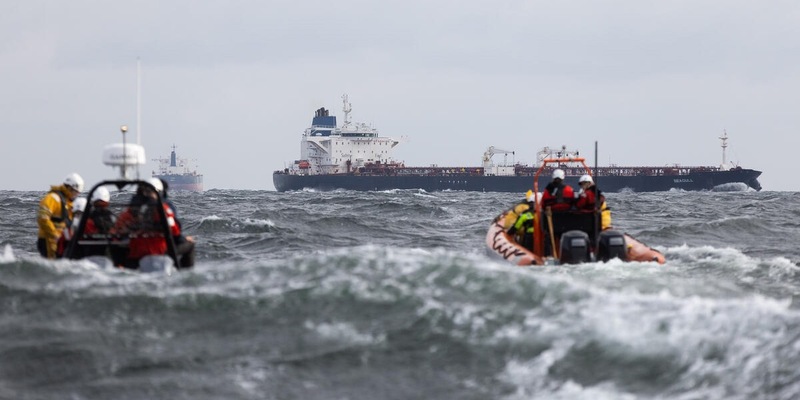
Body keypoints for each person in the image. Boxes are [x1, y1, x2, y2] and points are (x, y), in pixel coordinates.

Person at [37, 173, 84, 259]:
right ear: (69, 188)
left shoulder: (67, 202)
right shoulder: (53, 198)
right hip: (48, 239)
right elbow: (43, 218)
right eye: (75, 192)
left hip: (60, 240)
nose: (76, 195)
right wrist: (54, 234)